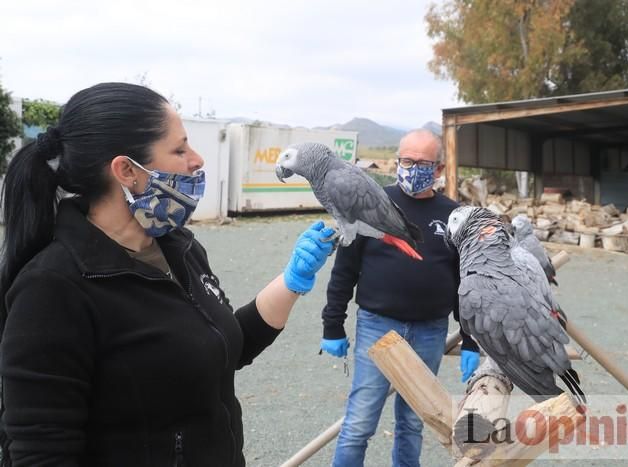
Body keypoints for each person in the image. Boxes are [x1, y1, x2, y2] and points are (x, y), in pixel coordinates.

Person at [0, 82, 334, 467]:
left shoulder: (179, 248)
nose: (197, 160)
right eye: (179, 149)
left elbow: (224, 347)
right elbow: (40, 455)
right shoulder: (53, 288)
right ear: (126, 170)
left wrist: (291, 281)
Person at [320, 129, 480, 466]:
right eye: (407, 160)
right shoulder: (370, 203)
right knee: (360, 422)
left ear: (439, 169)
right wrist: (332, 325)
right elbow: (344, 269)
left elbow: (466, 281)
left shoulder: (455, 216)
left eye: (422, 163)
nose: (412, 168)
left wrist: (469, 339)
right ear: (397, 162)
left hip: (430, 332)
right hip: (378, 327)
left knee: (413, 422)